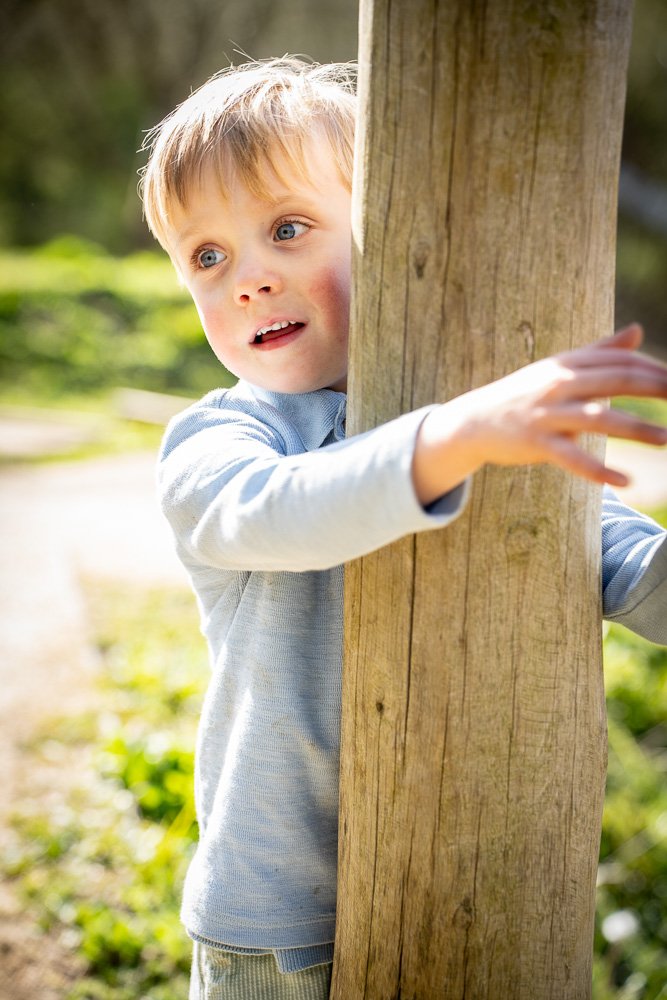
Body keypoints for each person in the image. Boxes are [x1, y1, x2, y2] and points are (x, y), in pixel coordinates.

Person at [140, 57, 667, 999]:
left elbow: (630, 567)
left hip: (468, 897)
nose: (248, 280)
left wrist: (470, 433)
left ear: (389, 237)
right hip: (276, 923)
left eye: (288, 230)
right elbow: (274, 513)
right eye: (206, 258)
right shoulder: (222, 437)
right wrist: (453, 436)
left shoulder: (478, 426)